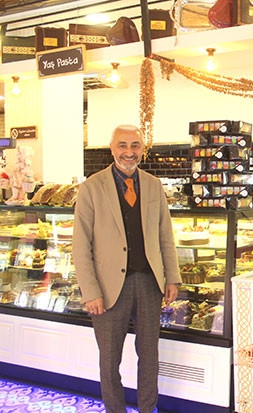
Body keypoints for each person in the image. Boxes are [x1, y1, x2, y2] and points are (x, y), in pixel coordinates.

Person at [73, 124, 182, 413]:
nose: (129, 152)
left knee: (149, 356)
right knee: (110, 360)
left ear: (142, 150)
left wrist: (172, 277)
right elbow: (81, 246)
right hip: (108, 288)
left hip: (149, 284)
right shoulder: (92, 187)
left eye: (135, 146)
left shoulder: (153, 185)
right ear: (112, 148)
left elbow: (165, 236)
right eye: (123, 145)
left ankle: (148, 408)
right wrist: (90, 292)